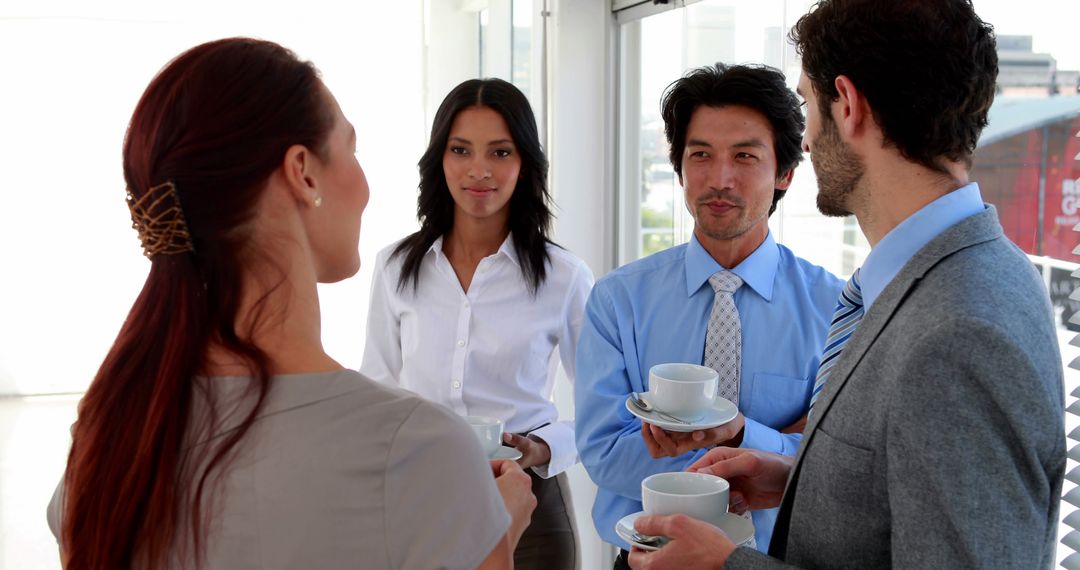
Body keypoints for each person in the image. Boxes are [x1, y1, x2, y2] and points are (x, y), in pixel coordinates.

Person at [46, 38, 535, 570]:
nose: (365, 185)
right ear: (303, 172)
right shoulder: (425, 452)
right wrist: (492, 532)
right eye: (351, 148)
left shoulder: (108, 436)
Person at [628, 1, 1066, 568]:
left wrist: (727, 566)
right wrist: (801, 481)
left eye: (809, 104)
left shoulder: (960, 333)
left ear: (849, 106)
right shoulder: (935, 278)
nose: (806, 140)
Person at [575, 63, 843, 568]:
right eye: (701, 155)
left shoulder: (836, 308)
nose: (720, 179)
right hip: (644, 560)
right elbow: (605, 454)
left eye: (745, 155)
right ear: (679, 167)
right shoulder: (618, 300)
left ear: (785, 172)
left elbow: (837, 461)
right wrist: (774, 445)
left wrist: (739, 433)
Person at [361, 77, 593, 570]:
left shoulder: (564, 277)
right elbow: (376, 392)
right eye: (461, 150)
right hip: (421, 499)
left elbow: (600, 410)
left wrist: (541, 448)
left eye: (501, 152)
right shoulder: (394, 267)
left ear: (524, 162)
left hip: (528, 502)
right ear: (439, 159)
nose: (479, 170)